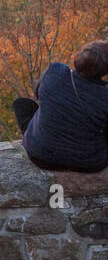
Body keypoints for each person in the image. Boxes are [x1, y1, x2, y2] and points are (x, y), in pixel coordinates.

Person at [12, 40, 108, 172]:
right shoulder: (104, 96)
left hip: (40, 156)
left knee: (22, 104)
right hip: (87, 163)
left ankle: (42, 139)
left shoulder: (55, 72)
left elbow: (38, 96)